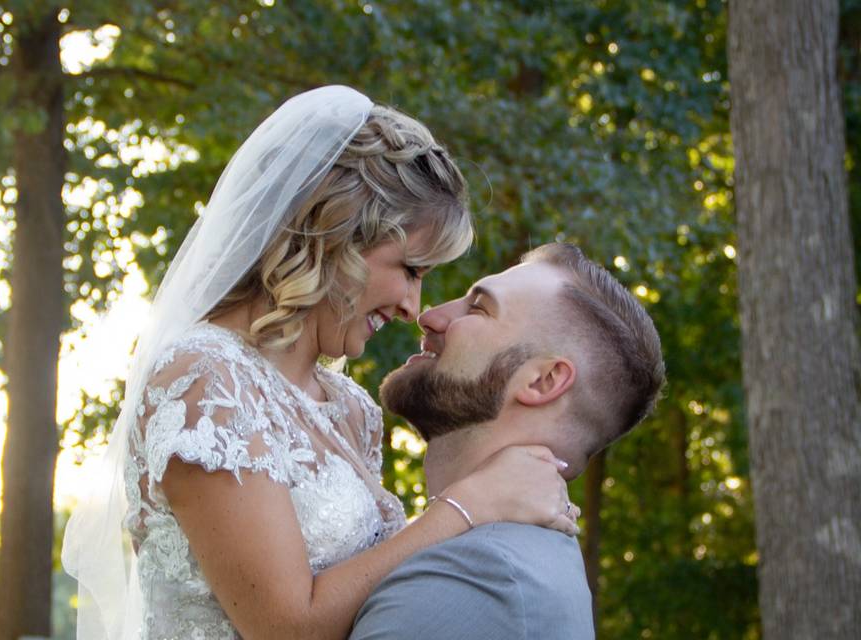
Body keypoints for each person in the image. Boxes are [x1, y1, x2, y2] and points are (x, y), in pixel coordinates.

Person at [62, 86, 579, 640]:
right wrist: (472, 502)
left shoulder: (352, 410)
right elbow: (288, 627)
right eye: (408, 269)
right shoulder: (206, 382)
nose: (412, 307)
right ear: (336, 237)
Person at [350, 242, 666, 640]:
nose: (429, 316)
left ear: (543, 381)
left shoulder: (476, 580)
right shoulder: (514, 558)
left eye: (478, 308)